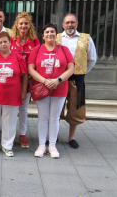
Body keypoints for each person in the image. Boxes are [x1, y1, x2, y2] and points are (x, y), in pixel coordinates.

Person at [28, 24, 74, 158]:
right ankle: (42, 145)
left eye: (52, 31)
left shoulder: (64, 50)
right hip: (41, 88)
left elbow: (71, 69)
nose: (50, 34)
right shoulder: (36, 50)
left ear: (56, 34)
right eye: (47, 32)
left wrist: (58, 80)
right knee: (43, 117)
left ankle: (52, 145)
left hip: (59, 88)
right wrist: (44, 81)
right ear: (42, 36)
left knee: (54, 118)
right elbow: (31, 69)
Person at [57, 14, 97, 149]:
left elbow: (92, 59)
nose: (69, 25)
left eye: (72, 22)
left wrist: (82, 72)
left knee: (75, 109)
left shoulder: (85, 38)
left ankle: (71, 137)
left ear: (77, 24)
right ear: (63, 25)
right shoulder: (56, 38)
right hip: (59, 79)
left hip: (77, 80)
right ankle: (54, 135)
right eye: (67, 22)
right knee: (56, 109)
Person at [0, 32, 28, 157]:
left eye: (5, 41)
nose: (3, 44)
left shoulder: (18, 57)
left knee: (10, 120)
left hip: (12, 94)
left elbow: (24, 75)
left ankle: (7, 146)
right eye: (0, 42)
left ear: (10, 42)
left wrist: (24, 91)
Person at [10, 12, 40, 148]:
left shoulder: (35, 41)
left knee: (23, 109)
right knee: (10, 108)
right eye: (21, 23)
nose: (23, 26)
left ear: (30, 25)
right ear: (16, 25)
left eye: (26, 23)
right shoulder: (10, 40)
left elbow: (38, 62)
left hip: (27, 80)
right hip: (12, 80)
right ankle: (9, 134)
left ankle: (22, 134)